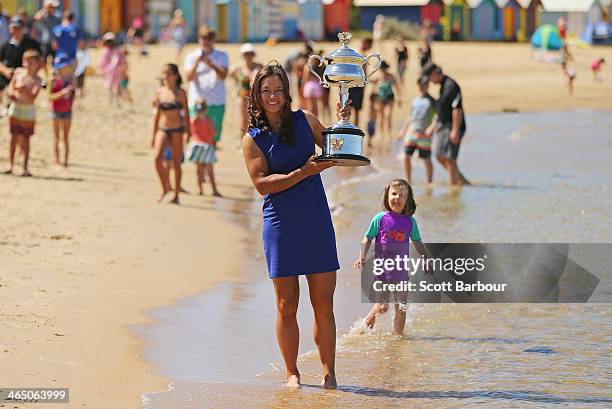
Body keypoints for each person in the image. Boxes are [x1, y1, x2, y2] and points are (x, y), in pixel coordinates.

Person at [242, 63, 351, 389]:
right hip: (280, 225)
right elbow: (262, 184)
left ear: (287, 92)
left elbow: (335, 151)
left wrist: (342, 123)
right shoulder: (253, 139)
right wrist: (304, 172)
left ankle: (329, 372)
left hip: (315, 220)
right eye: (266, 91)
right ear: (257, 97)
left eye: (278, 90)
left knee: (323, 304)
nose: (272, 96)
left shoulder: (306, 120)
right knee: (286, 305)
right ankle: (292, 372)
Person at [354, 179, 430, 334]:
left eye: (402, 195)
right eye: (394, 194)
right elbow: (368, 237)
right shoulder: (380, 218)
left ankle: (398, 338)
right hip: (382, 271)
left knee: (401, 307)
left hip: (401, 272)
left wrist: (425, 259)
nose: (397, 198)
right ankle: (365, 323)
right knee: (382, 306)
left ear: (407, 200)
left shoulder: (410, 222)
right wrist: (361, 255)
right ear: (387, 197)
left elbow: (417, 242)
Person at [422, 63, 469, 186]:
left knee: (450, 158)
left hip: (454, 126)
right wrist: (435, 125)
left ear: (434, 74)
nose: (430, 82)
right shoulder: (443, 85)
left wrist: (455, 130)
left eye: (429, 78)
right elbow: (442, 108)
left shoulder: (451, 86)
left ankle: (454, 189)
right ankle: (460, 180)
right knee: (439, 155)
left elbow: (456, 109)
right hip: (445, 126)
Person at [152, 63, 190, 204]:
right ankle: (165, 188)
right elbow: (156, 115)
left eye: (168, 74)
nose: (165, 76)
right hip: (162, 128)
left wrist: (187, 132)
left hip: (177, 129)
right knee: (157, 158)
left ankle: (176, 194)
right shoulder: (159, 92)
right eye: (164, 74)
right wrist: (153, 134)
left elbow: (186, 114)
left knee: (176, 163)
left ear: (175, 76)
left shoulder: (180, 93)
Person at [185, 26, 228, 146]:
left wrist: (211, 64)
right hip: (197, 102)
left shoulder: (222, 55)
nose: (206, 42)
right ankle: (200, 165)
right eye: (203, 38)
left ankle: (209, 164)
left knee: (213, 138)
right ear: (199, 39)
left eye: (209, 39)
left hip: (217, 102)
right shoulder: (191, 57)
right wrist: (197, 63)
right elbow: (188, 78)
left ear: (213, 40)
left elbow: (223, 75)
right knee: (197, 137)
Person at [4, 49, 43, 176]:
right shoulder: (19, 72)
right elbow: (11, 86)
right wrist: (12, 93)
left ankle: (25, 167)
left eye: (30, 62)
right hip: (16, 109)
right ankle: (10, 164)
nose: (27, 65)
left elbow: (33, 97)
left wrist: (24, 89)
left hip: (28, 112)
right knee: (13, 138)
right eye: (25, 62)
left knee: (26, 140)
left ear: (37, 64)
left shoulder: (37, 79)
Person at [398, 76, 436, 184]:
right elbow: (410, 116)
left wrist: (431, 128)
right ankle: (408, 180)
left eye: (424, 84)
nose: (422, 87)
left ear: (428, 85)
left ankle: (430, 182)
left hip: (424, 134)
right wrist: (402, 130)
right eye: (420, 84)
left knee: (426, 159)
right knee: (406, 157)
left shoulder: (432, 101)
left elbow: (437, 117)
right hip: (412, 132)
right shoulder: (415, 100)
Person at [0, 17, 41, 115]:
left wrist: (31, 73)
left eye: (18, 28)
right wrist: (5, 71)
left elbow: (40, 60)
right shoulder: (5, 46)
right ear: (10, 29)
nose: (16, 31)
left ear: (23, 29)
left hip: (25, 76)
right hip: (8, 75)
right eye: (14, 28)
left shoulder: (31, 43)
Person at [186, 99, 221, 196]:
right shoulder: (208, 120)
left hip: (196, 146)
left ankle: (200, 190)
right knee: (209, 170)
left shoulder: (193, 120)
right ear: (206, 109)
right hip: (207, 146)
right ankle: (214, 190)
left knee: (199, 170)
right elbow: (214, 133)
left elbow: (190, 132)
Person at [48, 54, 75, 167]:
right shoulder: (52, 80)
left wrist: (70, 94)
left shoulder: (70, 80)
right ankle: (56, 160)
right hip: (56, 111)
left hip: (67, 111)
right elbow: (49, 97)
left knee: (65, 137)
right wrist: (62, 94)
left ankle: (65, 161)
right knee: (56, 137)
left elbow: (73, 98)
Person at [229, 42, 262, 134]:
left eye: (250, 53)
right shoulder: (238, 67)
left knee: (255, 119)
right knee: (243, 120)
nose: (248, 56)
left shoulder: (258, 66)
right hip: (242, 97)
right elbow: (229, 74)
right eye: (246, 54)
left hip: (255, 98)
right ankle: (243, 140)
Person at [370, 60, 401, 143]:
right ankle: (380, 134)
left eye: (383, 68)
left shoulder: (391, 76)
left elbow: (397, 87)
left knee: (388, 115)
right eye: (381, 68)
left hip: (389, 98)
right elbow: (372, 87)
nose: (382, 70)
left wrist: (399, 98)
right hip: (380, 98)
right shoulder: (377, 77)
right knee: (381, 117)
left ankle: (389, 134)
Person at [348, 37, 373, 128]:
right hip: (357, 86)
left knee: (348, 109)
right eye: (369, 46)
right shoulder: (362, 56)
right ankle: (354, 129)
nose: (369, 48)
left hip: (349, 84)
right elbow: (364, 74)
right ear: (365, 43)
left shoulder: (352, 51)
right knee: (355, 110)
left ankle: (349, 128)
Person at [98, 32, 125, 105]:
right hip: (108, 72)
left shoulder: (117, 50)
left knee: (117, 86)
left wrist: (123, 68)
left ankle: (117, 101)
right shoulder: (104, 50)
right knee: (109, 86)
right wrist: (102, 69)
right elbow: (102, 61)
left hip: (117, 71)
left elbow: (121, 60)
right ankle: (110, 100)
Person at [33, 0, 61, 66]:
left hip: (55, 41)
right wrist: (45, 8)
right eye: (51, 7)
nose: (52, 8)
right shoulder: (44, 16)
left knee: (55, 59)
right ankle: (45, 74)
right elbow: (36, 17)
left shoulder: (57, 16)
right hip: (46, 41)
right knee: (44, 59)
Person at [301, 50, 324, 116]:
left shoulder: (307, 66)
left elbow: (305, 78)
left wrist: (302, 87)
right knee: (316, 104)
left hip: (309, 85)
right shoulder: (320, 66)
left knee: (310, 105)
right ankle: (316, 118)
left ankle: (311, 119)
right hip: (317, 85)